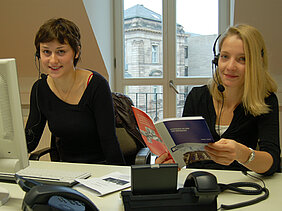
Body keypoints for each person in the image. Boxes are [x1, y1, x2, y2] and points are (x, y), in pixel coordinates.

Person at [157, 24, 280, 176]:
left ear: (256, 63)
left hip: (241, 185)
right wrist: (172, 161)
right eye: (225, 56)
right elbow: (186, 154)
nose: (230, 66)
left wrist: (243, 153)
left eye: (242, 59)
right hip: (198, 185)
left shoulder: (266, 100)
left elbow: (272, 162)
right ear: (217, 59)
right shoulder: (197, 97)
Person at [25, 18, 125, 165]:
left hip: (100, 169)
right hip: (66, 171)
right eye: (46, 52)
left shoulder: (96, 85)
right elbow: (29, 141)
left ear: (76, 52)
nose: (52, 60)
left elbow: (109, 141)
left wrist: (122, 180)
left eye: (61, 52)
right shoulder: (40, 89)